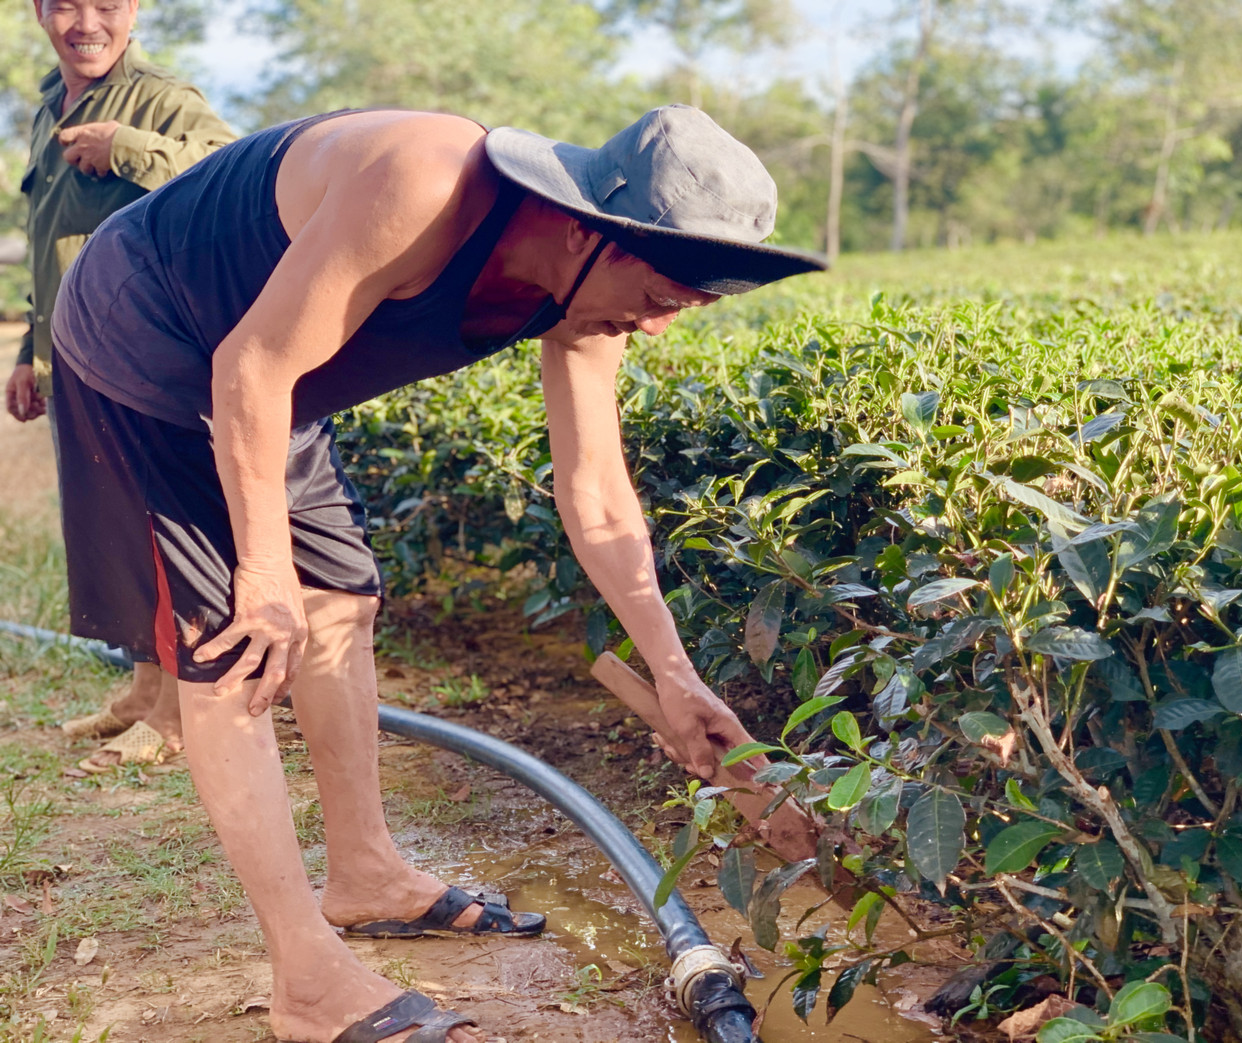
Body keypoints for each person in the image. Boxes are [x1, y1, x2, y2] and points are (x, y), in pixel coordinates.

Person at [49, 103, 825, 1042]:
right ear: (595, 227)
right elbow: (248, 366)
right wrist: (259, 571)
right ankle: (304, 977)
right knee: (236, 645)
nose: (656, 327)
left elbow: (598, 495)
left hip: (269, 377)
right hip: (156, 337)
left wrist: (675, 672)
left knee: (340, 601)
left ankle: (365, 871)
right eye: (662, 296)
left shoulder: (592, 296)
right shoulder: (423, 182)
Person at [5, 0, 235, 771]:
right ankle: (141, 689)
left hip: (141, 348)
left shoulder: (162, 100)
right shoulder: (48, 105)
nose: (86, 22)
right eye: (66, 3)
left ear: (132, 10)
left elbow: (226, 174)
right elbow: (51, 236)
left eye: (106, 3)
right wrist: (29, 354)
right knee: (113, 526)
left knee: (163, 528)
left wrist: (126, 146)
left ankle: (175, 713)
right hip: (72, 346)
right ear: (40, 12)